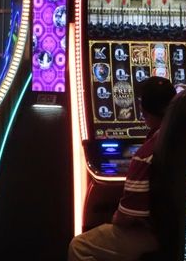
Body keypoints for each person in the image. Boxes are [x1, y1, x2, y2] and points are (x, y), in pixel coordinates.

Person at [68, 76, 177, 261]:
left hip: (157, 236)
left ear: (143, 111)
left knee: (79, 246)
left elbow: (126, 218)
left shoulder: (147, 153)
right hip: (185, 229)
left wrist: (115, 216)